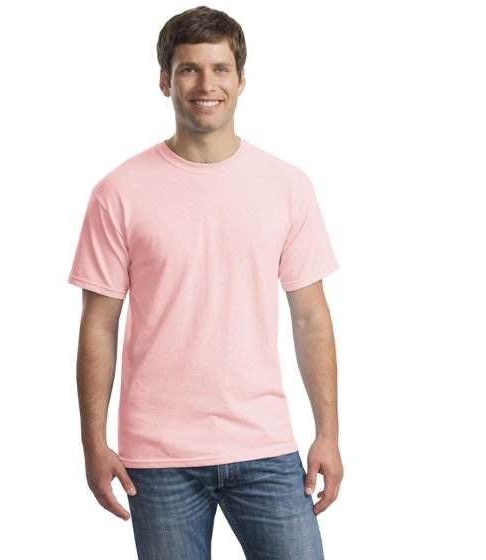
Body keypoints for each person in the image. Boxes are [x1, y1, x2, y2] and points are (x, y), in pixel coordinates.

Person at [67, 5, 343, 559]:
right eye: (189, 69)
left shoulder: (286, 186)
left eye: (220, 69)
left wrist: (328, 433)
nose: (205, 84)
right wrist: (93, 443)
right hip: (157, 457)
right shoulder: (118, 192)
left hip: (263, 444)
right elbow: (98, 324)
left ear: (241, 79)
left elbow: (311, 315)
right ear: (165, 80)